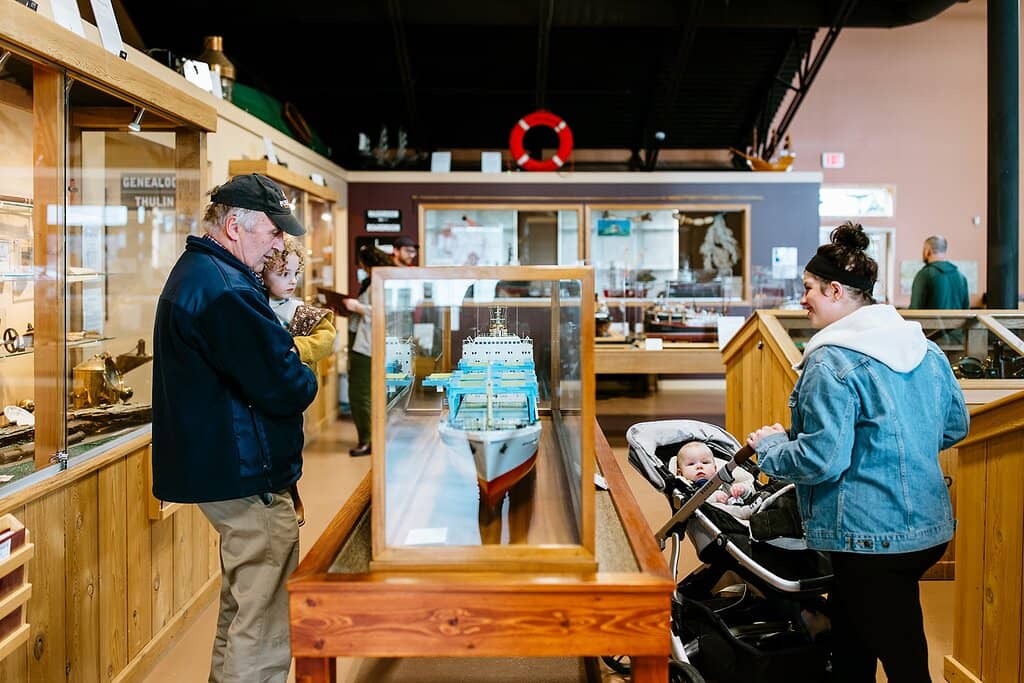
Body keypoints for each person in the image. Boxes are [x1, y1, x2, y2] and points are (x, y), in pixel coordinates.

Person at [747, 221, 969, 683]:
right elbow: (954, 425)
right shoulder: (923, 348)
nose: (802, 299)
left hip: (868, 536)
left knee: (902, 656)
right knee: (852, 642)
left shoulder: (831, 361)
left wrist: (769, 448)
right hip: (928, 525)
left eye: (807, 289)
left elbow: (821, 460)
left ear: (834, 289)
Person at [152, 173, 318, 683]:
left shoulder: (203, 273)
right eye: (272, 231)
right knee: (265, 621)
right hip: (246, 475)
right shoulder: (225, 290)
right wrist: (301, 361)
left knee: (242, 608)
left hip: (223, 468)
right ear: (232, 226)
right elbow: (286, 384)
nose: (278, 243)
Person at [262, 236, 337, 525]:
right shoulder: (252, 303)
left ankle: (291, 485)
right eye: (282, 274)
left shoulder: (301, 312)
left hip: (292, 387)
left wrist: (298, 347)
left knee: (291, 437)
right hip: (262, 385)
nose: (291, 280)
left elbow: (326, 338)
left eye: (295, 273)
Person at [343, 245, 393, 456]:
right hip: (361, 342)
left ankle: (368, 440)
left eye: (362, 263)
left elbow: (384, 311)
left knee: (360, 393)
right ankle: (370, 437)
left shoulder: (381, 281)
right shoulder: (372, 281)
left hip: (368, 346)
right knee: (364, 392)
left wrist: (357, 307)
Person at [670, 441, 754, 505]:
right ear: (680, 473)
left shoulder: (723, 482)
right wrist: (714, 497)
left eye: (705, 463)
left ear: (715, 469)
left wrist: (742, 490)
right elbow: (691, 503)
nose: (699, 466)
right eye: (691, 464)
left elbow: (749, 494)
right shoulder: (685, 487)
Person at [909, 235, 970, 309]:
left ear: (928, 251)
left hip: (930, 321)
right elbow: (966, 310)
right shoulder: (961, 277)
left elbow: (915, 309)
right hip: (958, 321)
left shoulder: (925, 275)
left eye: (924, 249)